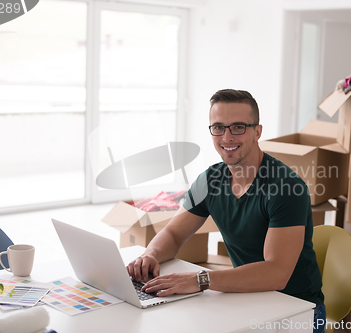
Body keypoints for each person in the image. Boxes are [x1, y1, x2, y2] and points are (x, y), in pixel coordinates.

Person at [127, 89, 325, 333]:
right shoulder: (210, 180)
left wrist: (201, 280)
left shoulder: (286, 187)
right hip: (247, 298)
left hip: (298, 309)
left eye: (238, 127)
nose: (227, 137)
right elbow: (174, 234)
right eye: (218, 127)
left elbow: (277, 273)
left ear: (257, 132)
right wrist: (151, 254)